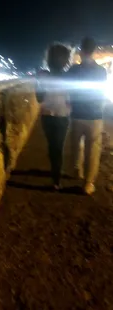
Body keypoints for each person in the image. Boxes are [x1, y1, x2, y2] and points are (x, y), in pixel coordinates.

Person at [68, 37, 107, 195]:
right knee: (93, 149)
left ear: (81, 50)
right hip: (95, 116)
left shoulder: (74, 70)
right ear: (94, 51)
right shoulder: (101, 71)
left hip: (77, 114)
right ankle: (88, 184)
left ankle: (77, 170)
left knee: (76, 144)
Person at [35, 43, 71, 190]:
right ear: (65, 60)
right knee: (59, 146)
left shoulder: (43, 76)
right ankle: (56, 179)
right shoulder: (69, 77)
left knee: (52, 145)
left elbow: (39, 98)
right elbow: (72, 98)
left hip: (47, 115)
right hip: (63, 115)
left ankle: (55, 173)